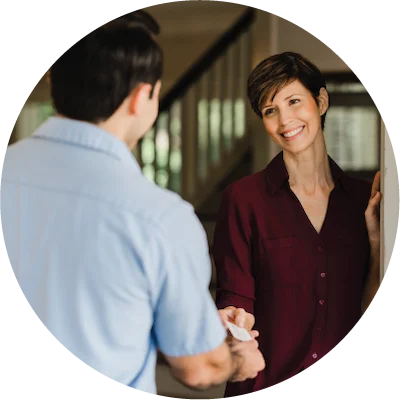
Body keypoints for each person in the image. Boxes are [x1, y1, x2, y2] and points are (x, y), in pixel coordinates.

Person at [0, 9, 265, 396]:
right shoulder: (160, 219)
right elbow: (200, 368)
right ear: (143, 97)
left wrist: (193, 325)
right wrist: (239, 358)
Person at [213, 51, 381, 397]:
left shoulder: (365, 200)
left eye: (293, 101)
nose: (285, 120)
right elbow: (236, 301)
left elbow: (364, 307)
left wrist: (377, 243)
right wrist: (234, 323)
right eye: (270, 110)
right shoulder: (243, 200)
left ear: (320, 101)